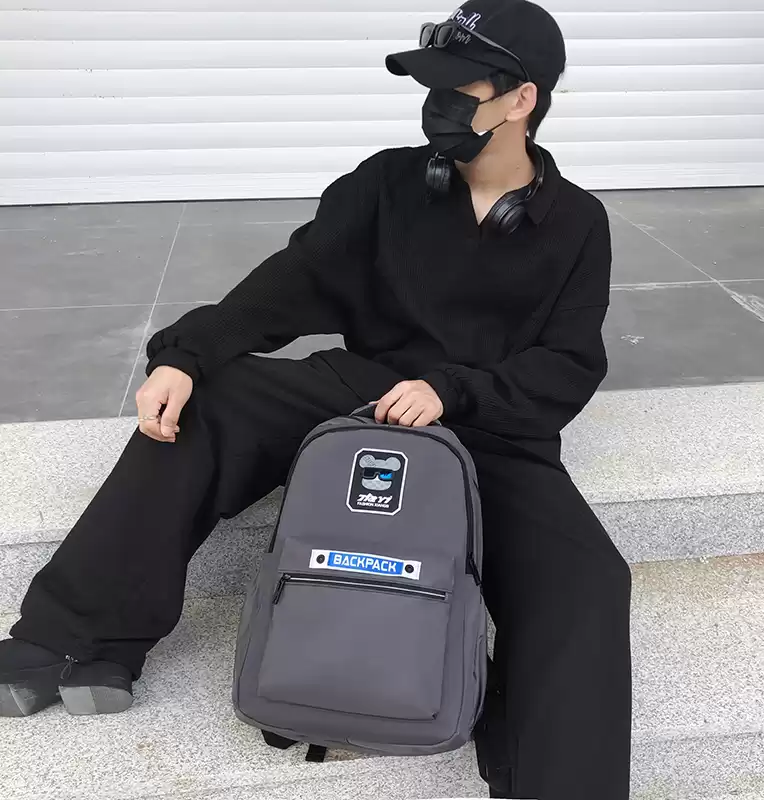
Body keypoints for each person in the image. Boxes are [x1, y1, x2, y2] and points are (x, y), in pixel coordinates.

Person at [0, 0, 632, 797]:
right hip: (360, 389)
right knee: (210, 406)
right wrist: (187, 355)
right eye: (431, 88)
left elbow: (568, 366)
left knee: (589, 578)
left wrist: (453, 389)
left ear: (521, 100)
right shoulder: (384, 183)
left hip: (491, 427)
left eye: (459, 88)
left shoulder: (579, 224)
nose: (437, 105)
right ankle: (75, 638)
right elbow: (290, 284)